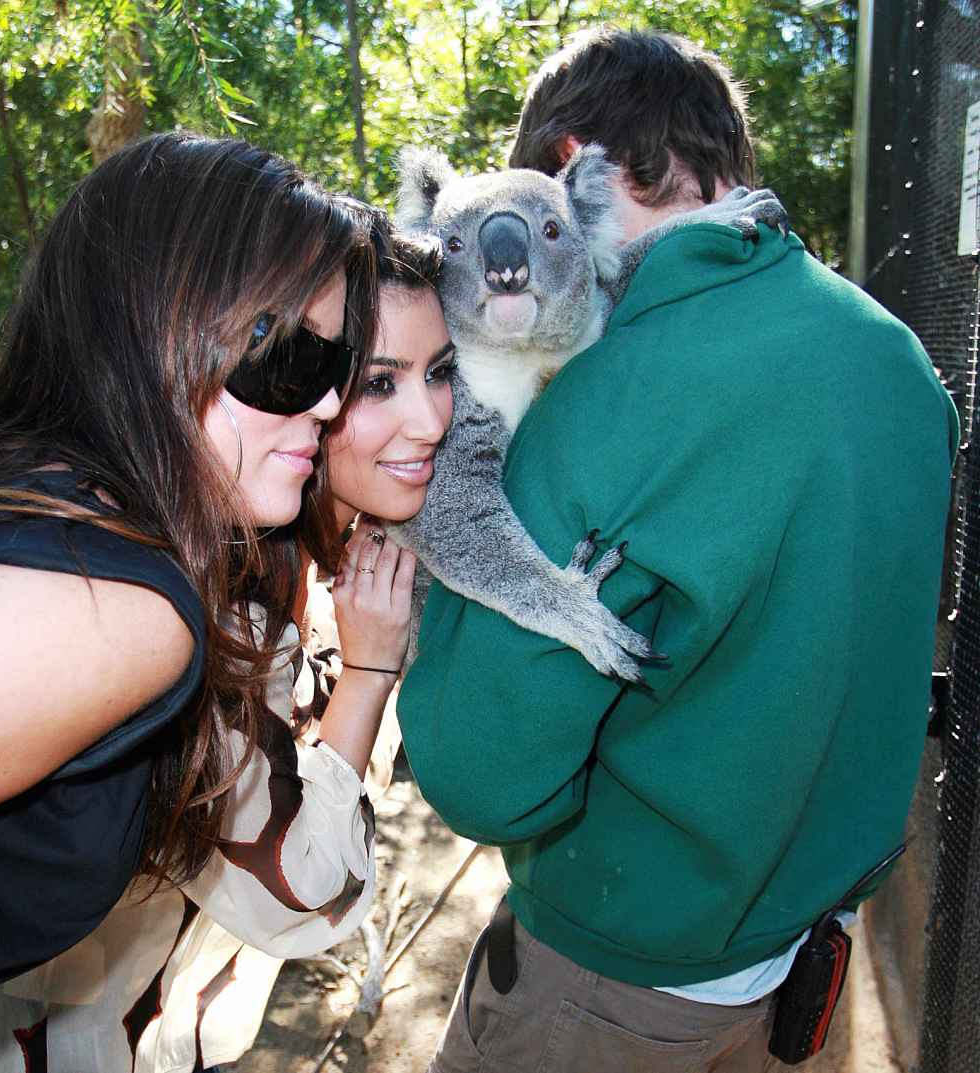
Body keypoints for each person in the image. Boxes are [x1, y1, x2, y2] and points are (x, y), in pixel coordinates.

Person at [397, 27, 960, 1072]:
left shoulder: (613, 395)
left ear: (574, 172)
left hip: (615, 969)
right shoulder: (899, 359)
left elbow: (484, 776)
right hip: (803, 950)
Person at [0, 134, 449, 1073]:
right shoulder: (150, 595)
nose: (429, 418)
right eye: (366, 378)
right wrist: (366, 674)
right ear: (161, 334)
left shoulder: (207, 536)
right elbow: (303, 885)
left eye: (445, 374)